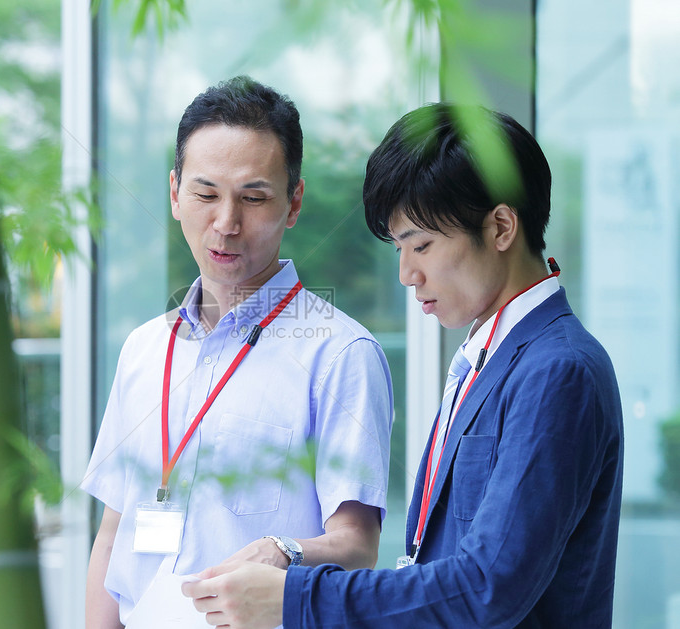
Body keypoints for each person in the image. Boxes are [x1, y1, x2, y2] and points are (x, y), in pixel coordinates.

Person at [183, 102, 624, 628]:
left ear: (502, 226)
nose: (406, 274)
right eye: (398, 248)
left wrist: (292, 598)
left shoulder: (557, 371)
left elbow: (488, 586)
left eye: (422, 245)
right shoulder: (492, 356)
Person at [81, 75, 394, 628]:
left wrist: (282, 550)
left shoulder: (341, 354)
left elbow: (357, 546)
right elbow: (112, 536)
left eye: (253, 198)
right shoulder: (143, 349)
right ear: (174, 193)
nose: (226, 224)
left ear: (293, 203)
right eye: (205, 195)